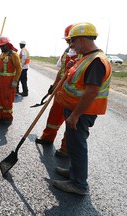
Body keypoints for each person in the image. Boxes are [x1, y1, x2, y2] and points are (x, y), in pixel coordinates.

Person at [53, 22, 112, 195]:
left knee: (78, 146)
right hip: (74, 109)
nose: (70, 45)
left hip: (81, 112)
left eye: (72, 41)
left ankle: (79, 184)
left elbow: (92, 91)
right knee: (73, 144)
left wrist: (75, 115)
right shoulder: (86, 57)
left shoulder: (96, 61)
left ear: (82, 40)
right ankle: (74, 173)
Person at [35, 24, 81, 158]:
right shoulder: (66, 52)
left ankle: (66, 149)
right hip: (61, 90)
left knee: (70, 121)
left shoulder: (83, 54)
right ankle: (47, 138)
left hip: (73, 94)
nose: (69, 43)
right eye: (68, 40)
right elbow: (61, 71)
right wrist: (54, 85)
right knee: (54, 115)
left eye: (71, 40)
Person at [0, 36, 22, 124]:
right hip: (0, 82)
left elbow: (19, 68)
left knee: (7, 100)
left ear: (8, 45)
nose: (1, 47)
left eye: (3, 46)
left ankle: (7, 117)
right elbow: (1, 66)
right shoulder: (2, 54)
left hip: (8, 82)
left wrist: (15, 81)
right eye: (0, 46)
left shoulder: (13, 54)